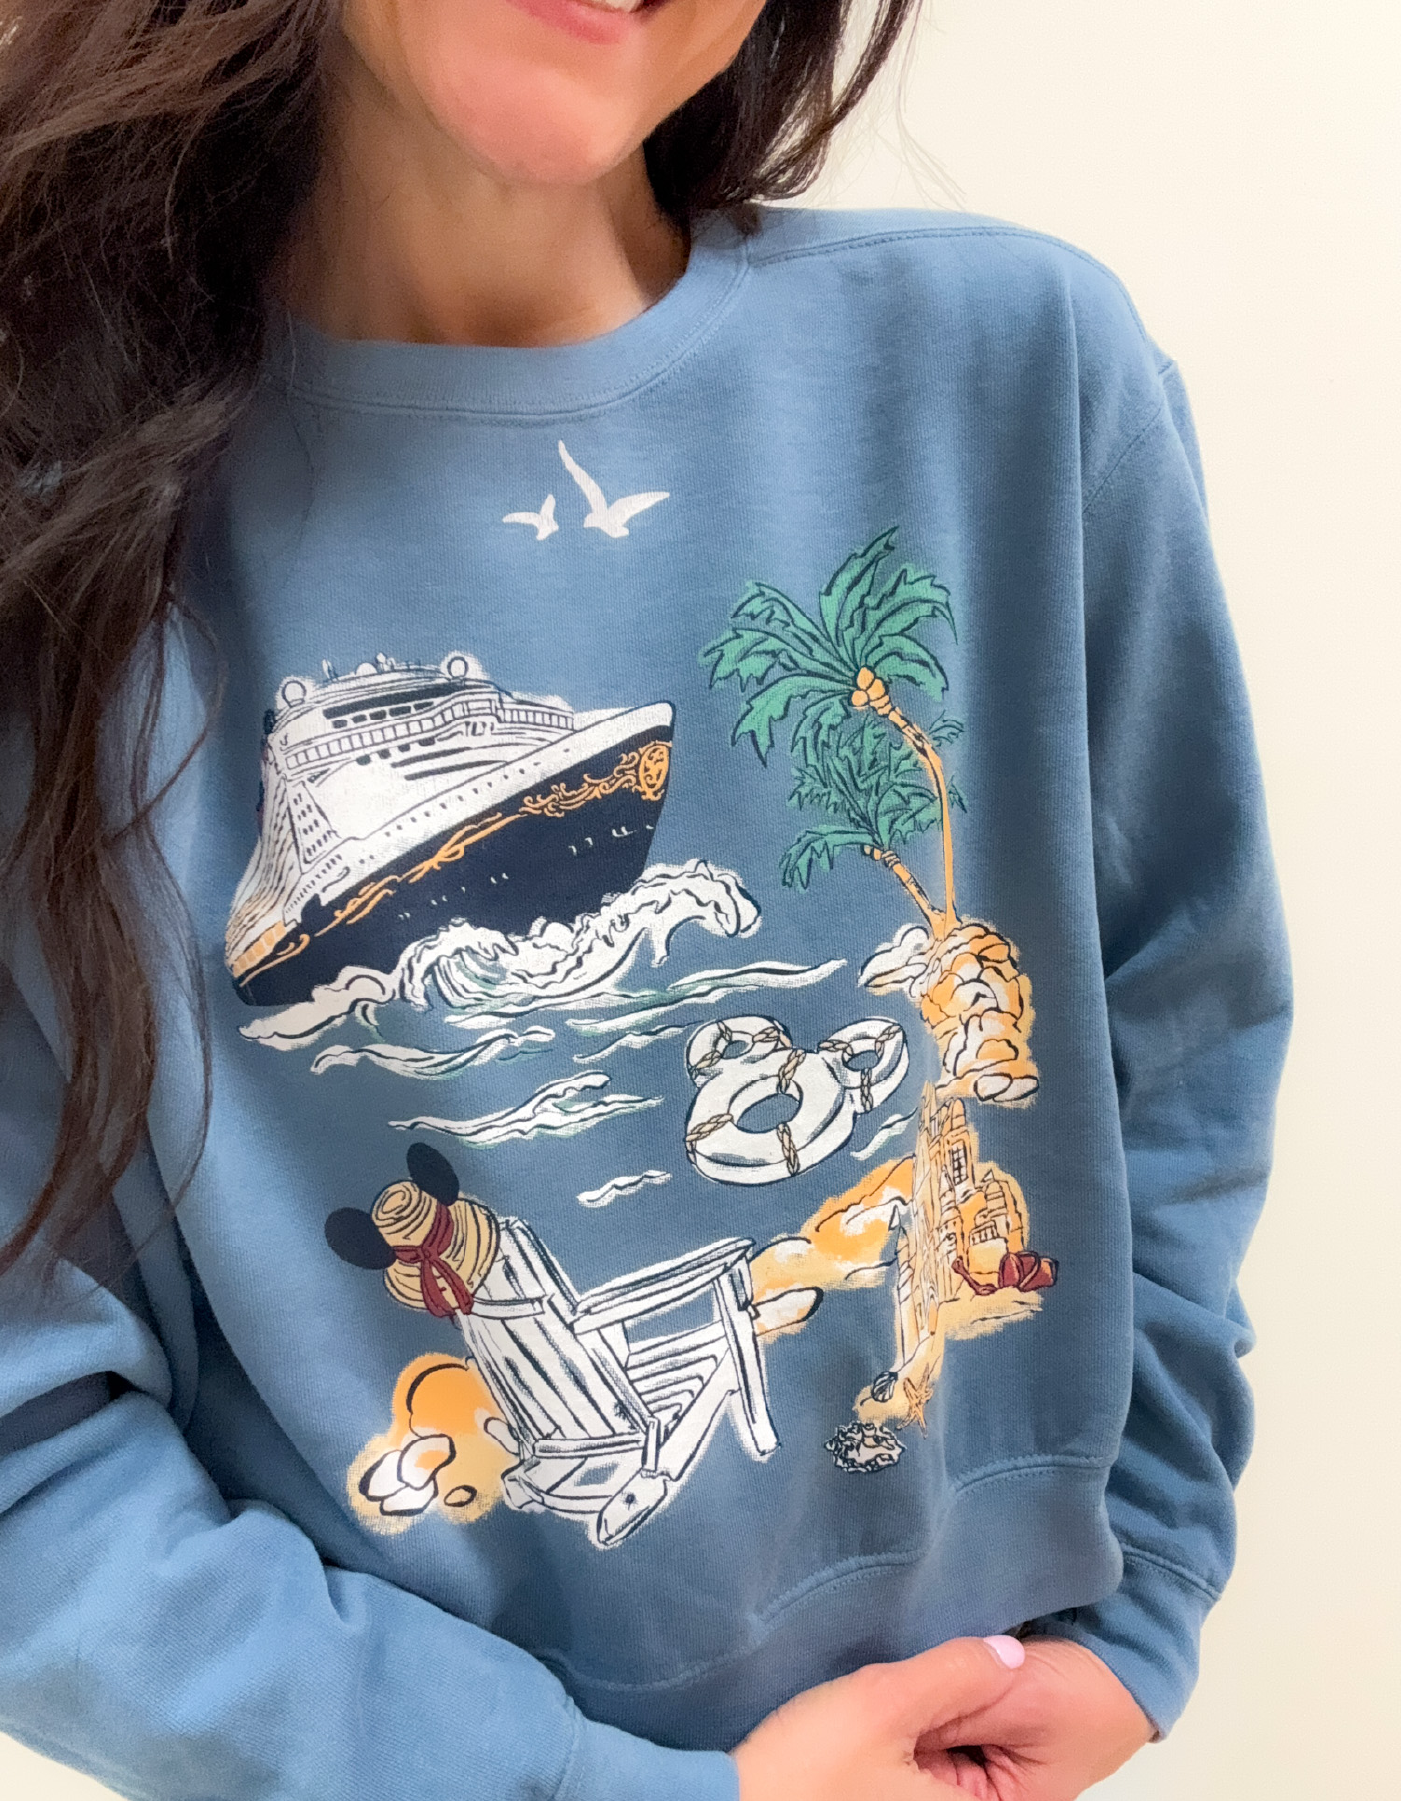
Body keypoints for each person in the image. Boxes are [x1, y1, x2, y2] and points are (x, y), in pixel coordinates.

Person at [0, 1, 1291, 1798]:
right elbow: (29, 1456)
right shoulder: (58, 550)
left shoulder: (1012, 367)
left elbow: (1182, 1018)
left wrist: (1137, 1590)